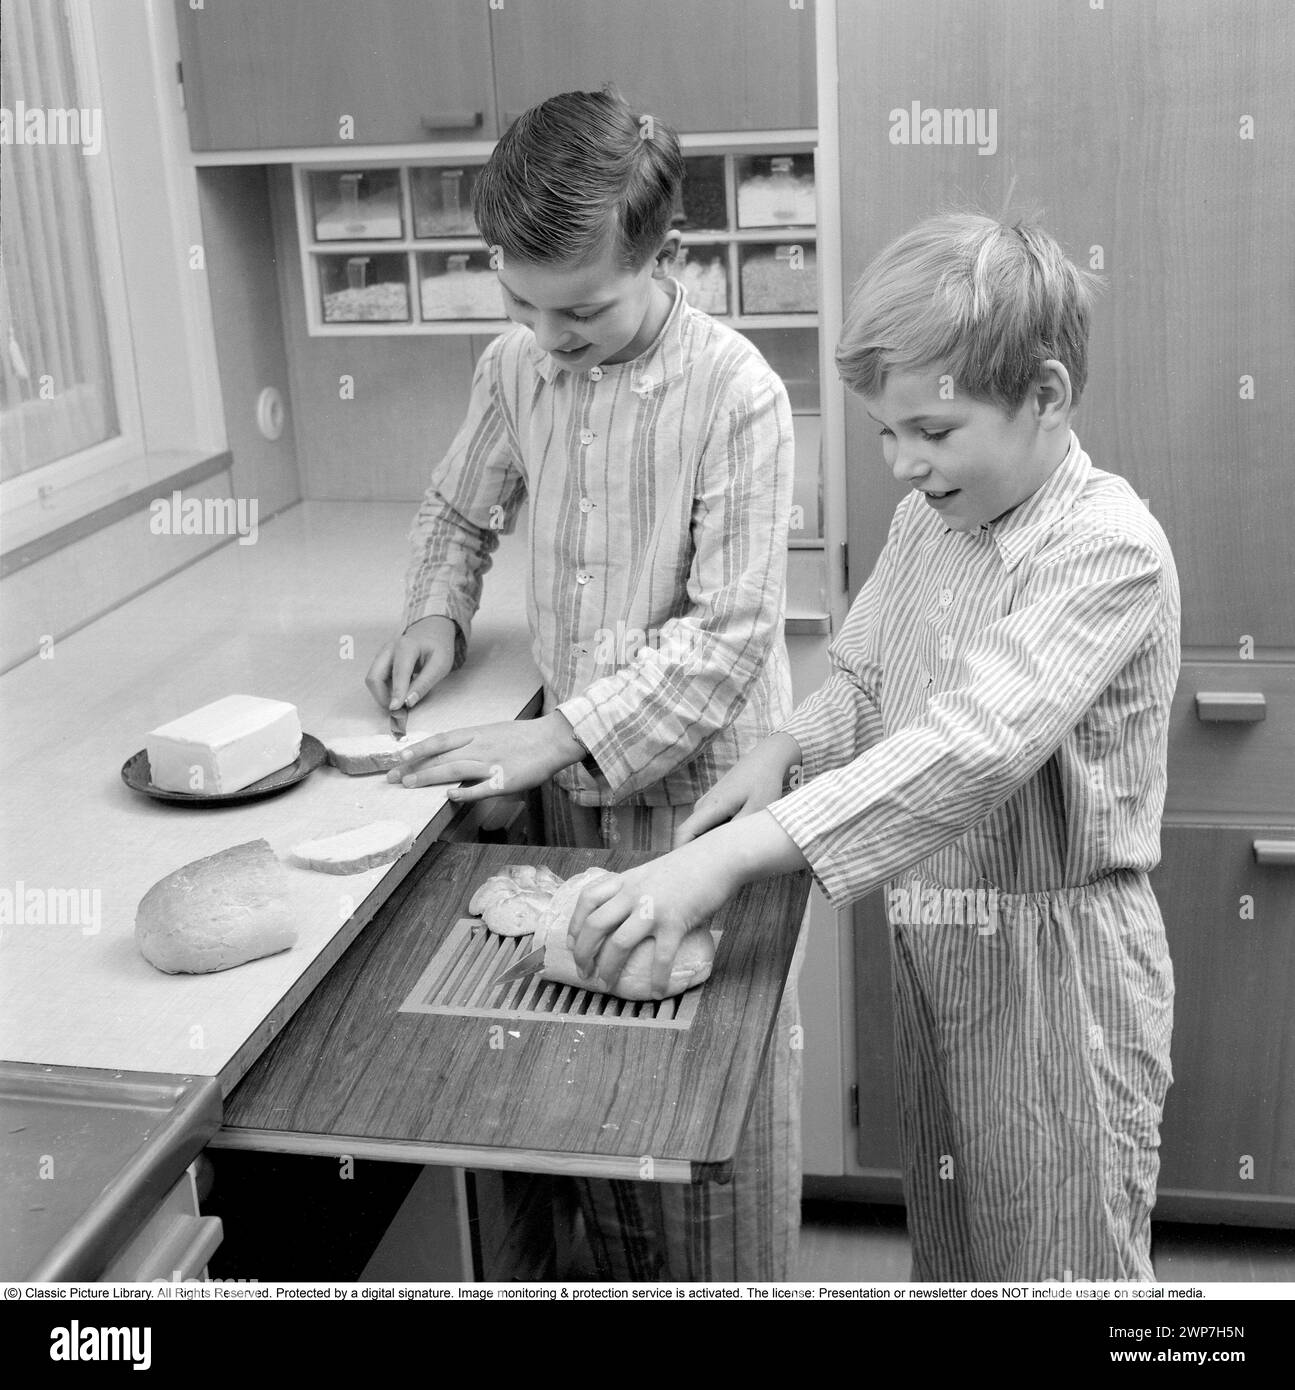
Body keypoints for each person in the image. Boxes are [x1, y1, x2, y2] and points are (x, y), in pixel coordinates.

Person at [569, 212, 1181, 1283]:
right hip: (941, 953)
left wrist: (731, 853)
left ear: (1044, 395)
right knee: (956, 1251)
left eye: (932, 431)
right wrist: (783, 746)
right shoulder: (927, 523)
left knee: (1060, 1258)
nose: (902, 462)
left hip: (1058, 976)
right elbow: (864, 679)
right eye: (885, 432)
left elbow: (971, 746)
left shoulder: (1105, 548)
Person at [366, 89, 803, 1281]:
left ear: (661, 254)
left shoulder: (738, 396)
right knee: (595, 1100)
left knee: (711, 1131)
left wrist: (554, 739)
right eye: (519, 299)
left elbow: (725, 640)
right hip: (580, 792)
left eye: (581, 308)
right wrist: (435, 609)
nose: (547, 333)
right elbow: (462, 506)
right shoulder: (516, 366)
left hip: (709, 806)